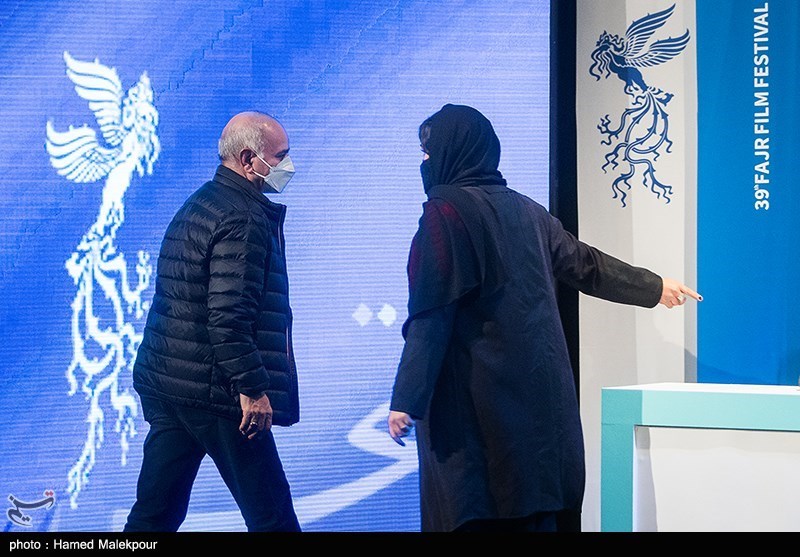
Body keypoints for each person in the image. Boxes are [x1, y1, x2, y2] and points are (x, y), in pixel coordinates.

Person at [387, 104, 701, 532]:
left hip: (479, 417)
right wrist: (654, 286)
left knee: (477, 510)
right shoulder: (529, 211)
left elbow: (432, 314)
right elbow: (587, 265)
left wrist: (407, 399)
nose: (425, 162)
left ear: (452, 152)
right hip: (537, 416)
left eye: (428, 152)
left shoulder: (445, 214)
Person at [124, 111, 301, 532]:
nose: (288, 166)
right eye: (281, 156)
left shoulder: (202, 202)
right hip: (220, 394)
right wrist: (252, 389)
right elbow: (228, 316)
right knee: (273, 516)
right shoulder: (243, 218)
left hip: (172, 386)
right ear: (249, 159)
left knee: (154, 516)